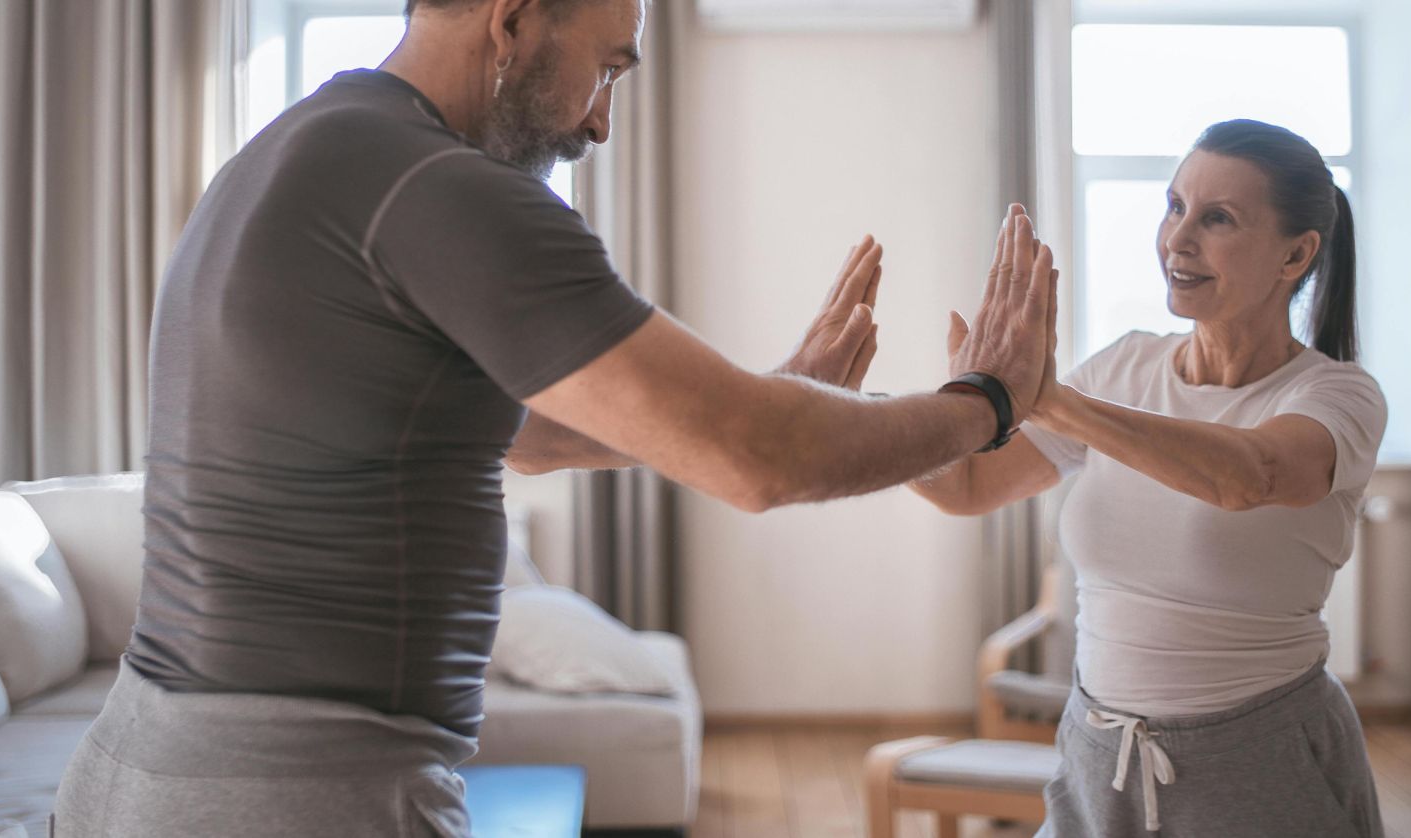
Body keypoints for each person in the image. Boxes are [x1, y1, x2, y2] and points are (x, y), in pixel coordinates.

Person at [52, 0, 1058, 835]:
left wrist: (752, 397)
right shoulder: (444, 187)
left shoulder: (291, 154)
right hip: (289, 791)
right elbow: (765, 461)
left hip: (141, 769)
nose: (601, 122)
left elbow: (518, 431)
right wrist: (989, 401)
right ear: (514, 19)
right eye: (608, 70)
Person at [909, 119, 1387, 837]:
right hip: (1098, 755)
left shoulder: (1337, 396)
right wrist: (852, 416)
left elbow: (1248, 474)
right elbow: (970, 487)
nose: (1177, 238)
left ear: (1297, 253)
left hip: (1257, 757)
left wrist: (1052, 401)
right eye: (1174, 206)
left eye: (1217, 218)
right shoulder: (1123, 367)